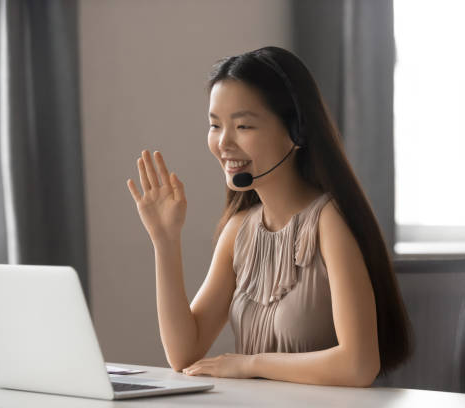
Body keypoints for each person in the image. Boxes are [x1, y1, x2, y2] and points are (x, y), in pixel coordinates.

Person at [126, 46, 412, 387]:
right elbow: (184, 355)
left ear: (296, 131)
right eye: (215, 125)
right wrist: (165, 240)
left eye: (243, 126)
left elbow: (358, 365)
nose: (224, 143)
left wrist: (250, 364)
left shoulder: (328, 222)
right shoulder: (239, 230)